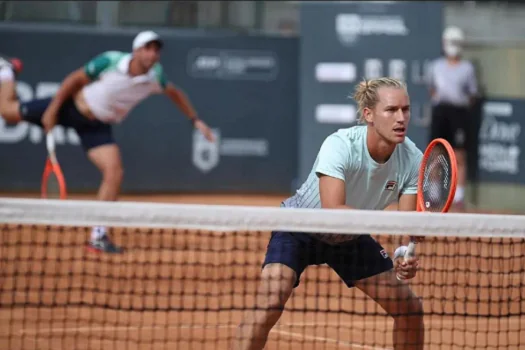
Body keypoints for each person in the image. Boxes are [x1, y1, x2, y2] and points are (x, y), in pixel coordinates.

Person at [232, 77, 424, 350]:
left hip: (350, 238)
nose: (401, 117)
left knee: (410, 309)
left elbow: (406, 223)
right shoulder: (340, 144)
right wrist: (385, 225)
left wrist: (404, 253)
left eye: (405, 109)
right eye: (391, 110)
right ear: (368, 115)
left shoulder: (413, 159)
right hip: (299, 227)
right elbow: (334, 210)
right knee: (271, 301)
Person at [0, 31, 215, 254]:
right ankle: (7, 71)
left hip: (97, 126)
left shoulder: (155, 77)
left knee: (114, 172)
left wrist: (195, 120)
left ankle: (98, 236)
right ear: (136, 50)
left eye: (156, 49)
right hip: (71, 107)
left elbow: (175, 93)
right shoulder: (110, 61)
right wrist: (52, 111)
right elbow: (74, 80)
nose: (152, 54)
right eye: (147, 48)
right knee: (7, 112)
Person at [429, 26, 478, 211]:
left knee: (459, 155)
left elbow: (472, 95)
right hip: (440, 112)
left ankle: (458, 196)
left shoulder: (467, 68)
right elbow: (432, 89)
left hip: (459, 114)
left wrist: (460, 102)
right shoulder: (435, 66)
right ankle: (433, 194)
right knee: (436, 153)